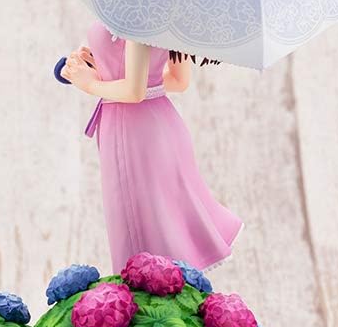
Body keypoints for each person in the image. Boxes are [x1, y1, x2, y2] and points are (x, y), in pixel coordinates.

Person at [61, 19, 243, 274]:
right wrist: (103, 70)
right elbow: (177, 80)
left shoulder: (137, 14)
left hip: (133, 133)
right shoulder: (166, 14)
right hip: (158, 124)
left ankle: (157, 287)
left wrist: (90, 84)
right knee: (160, 218)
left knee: (139, 234)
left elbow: (134, 91)